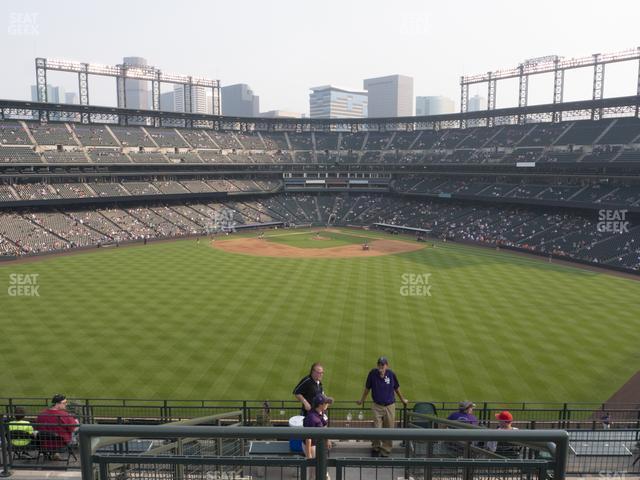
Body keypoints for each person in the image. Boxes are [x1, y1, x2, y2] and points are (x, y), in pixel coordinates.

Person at [357, 356, 408, 457]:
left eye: (383, 365)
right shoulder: (372, 374)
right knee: (377, 428)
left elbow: (396, 388)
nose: (381, 366)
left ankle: (386, 450)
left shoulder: (391, 374)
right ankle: (376, 447)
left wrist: (402, 399)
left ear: (386, 366)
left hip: (390, 406)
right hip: (377, 406)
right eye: (379, 364)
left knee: (389, 428)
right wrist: (361, 400)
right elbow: (367, 388)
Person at [35, 394, 79, 458]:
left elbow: (37, 428)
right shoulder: (65, 415)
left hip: (44, 445)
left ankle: (54, 453)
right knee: (78, 428)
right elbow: (74, 429)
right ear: (57, 404)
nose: (66, 404)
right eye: (64, 403)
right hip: (61, 445)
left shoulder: (41, 414)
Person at [303, 394, 333, 460]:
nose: (328, 404)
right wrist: (309, 456)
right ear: (320, 405)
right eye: (326, 403)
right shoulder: (312, 418)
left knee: (319, 467)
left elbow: (324, 425)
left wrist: (327, 440)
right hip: (312, 446)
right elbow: (308, 438)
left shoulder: (321, 412)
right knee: (313, 468)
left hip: (318, 444)